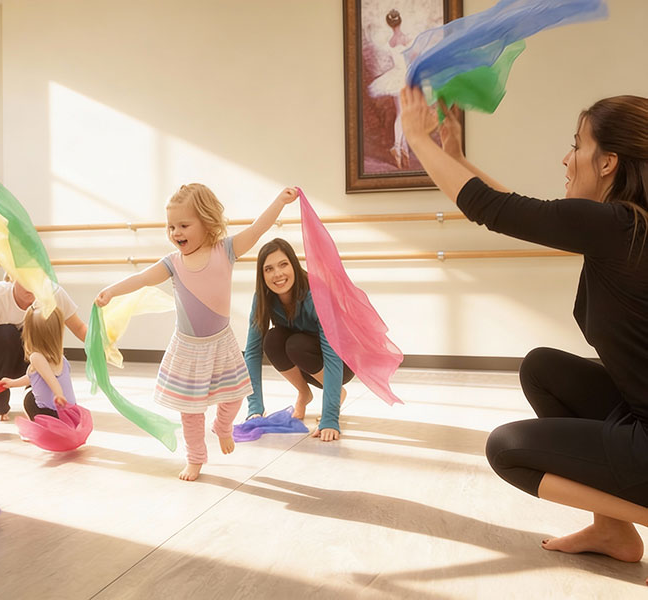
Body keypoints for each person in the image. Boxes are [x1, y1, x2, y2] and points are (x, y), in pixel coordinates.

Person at [400, 87, 648, 565]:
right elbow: (514, 206)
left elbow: (493, 210)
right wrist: (457, 157)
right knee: (543, 369)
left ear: (608, 163)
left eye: (577, 145)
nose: (566, 158)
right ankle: (613, 533)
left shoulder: (615, 227)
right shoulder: (626, 227)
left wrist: (417, 137)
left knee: (508, 449)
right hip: (640, 415)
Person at [96, 183, 299, 481]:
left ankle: (222, 426)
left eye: (183, 225)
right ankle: (195, 457)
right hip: (188, 348)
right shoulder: (173, 263)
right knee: (190, 411)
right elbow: (142, 278)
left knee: (236, 395)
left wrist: (280, 202)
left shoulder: (226, 250)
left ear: (206, 222)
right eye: (171, 226)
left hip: (222, 343)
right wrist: (111, 291)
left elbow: (257, 230)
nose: (176, 232)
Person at [243, 238, 354, 442]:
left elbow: (332, 351)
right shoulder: (262, 297)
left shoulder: (316, 293)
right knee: (272, 339)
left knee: (296, 344)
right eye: (269, 269)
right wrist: (255, 409)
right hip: (304, 354)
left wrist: (330, 417)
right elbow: (251, 352)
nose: (277, 274)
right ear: (262, 274)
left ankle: (336, 393)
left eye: (283, 264)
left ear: (294, 264)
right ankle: (304, 393)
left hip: (341, 360)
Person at [0, 278, 86, 421]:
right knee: (7, 332)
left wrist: (101, 343)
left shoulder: (53, 293)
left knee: (40, 338)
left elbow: (79, 328)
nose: (30, 286)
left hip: (28, 357)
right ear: (12, 276)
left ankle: (35, 395)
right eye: (24, 279)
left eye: (35, 278)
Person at [0, 306, 77, 421]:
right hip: (70, 413)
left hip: (50, 412)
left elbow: (51, 380)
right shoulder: (61, 358)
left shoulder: (36, 357)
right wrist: (12, 383)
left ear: (29, 334)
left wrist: (59, 394)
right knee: (34, 385)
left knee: (29, 395)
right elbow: (34, 378)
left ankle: (37, 426)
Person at [368, 9, 412, 169]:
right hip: (404, 76)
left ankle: (402, 149)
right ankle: (397, 147)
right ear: (400, 22)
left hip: (396, 75)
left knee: (401, 113)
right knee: (403, 114)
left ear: (390, 24)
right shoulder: (406, 38)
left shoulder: (391, 41)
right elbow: (412, 58)